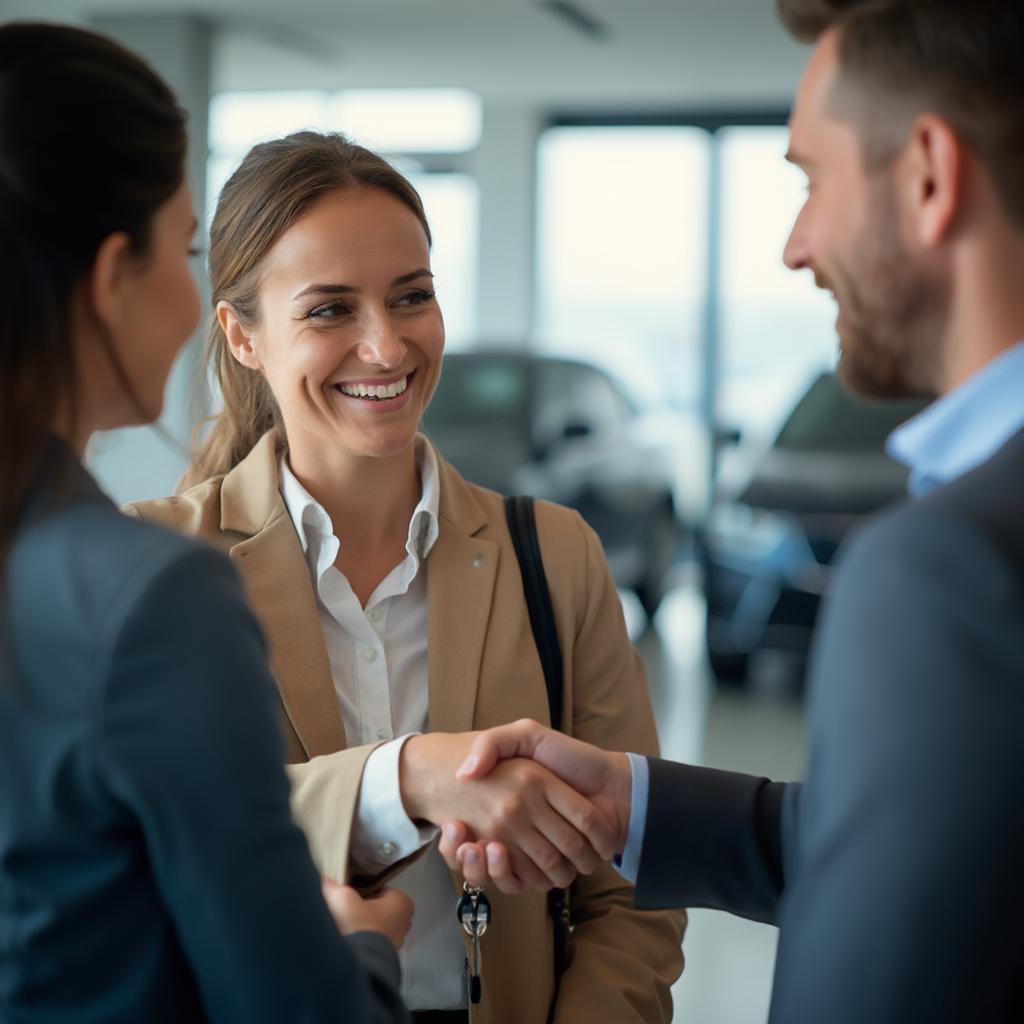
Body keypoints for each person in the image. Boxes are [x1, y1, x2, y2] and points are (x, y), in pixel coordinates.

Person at [442, 0, 1024, 1021]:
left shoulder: (948, 564)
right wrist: (639, 806)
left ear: (929, 175)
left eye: (810, 180)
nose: (796, 247)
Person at [124, 130, 684, 1022]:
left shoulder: (554, 554)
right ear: (243, 337)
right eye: (330, 310)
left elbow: (634, 880)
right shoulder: (151, 565)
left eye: (410, 296)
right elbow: (147, 833)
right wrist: (405, 778)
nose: (385, 348)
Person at [0, 22, 415, 1023]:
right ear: (110, 279)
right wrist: (365, 947)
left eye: (412, 294)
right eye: (184, 248)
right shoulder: (151, 591)